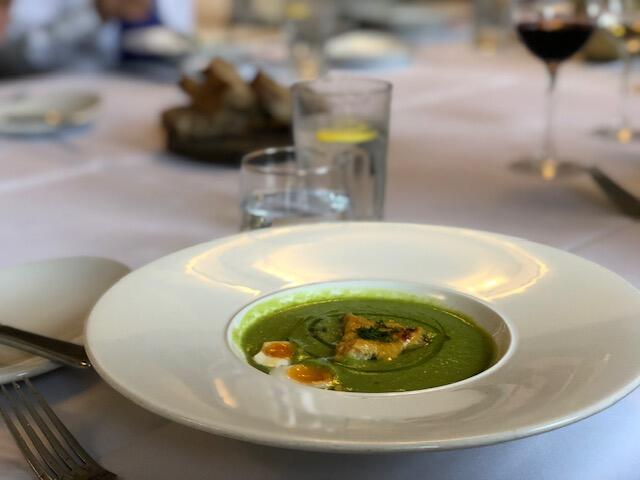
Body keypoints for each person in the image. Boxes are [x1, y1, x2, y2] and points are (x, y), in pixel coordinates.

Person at [0, 0, 192, 76]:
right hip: (72, 96)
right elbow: (16, 58)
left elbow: (183, 42)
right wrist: (97, 12)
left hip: (155, 85)